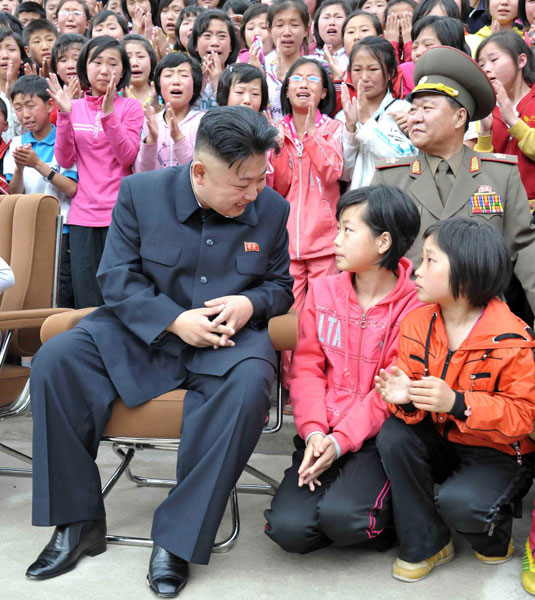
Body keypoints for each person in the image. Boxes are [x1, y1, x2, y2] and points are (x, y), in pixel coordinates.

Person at [25, 106, 294, 598]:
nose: (253, 194)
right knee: (56, 361)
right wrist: (172, 319)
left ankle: (176, 539)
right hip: (144, 333)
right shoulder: (141, 193)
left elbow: (280, 286)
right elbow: (116, 277)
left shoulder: (272, 209)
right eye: (241, 184)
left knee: (253, 380)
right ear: (199, 171)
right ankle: (77, 522)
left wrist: (249, 301)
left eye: (259, 179)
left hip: (225, 341)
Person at [375, 217, 535, 582]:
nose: (417, 269)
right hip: (442, 436)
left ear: (467, 271)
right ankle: (427, 543)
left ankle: (493, 534)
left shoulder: (511, 337)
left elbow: (524, 416)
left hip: (497, 450)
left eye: (430, 260)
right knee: (394, 434)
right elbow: (412, 388)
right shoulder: (417, 322)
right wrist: (405, 398)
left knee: (462, 505)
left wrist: (459, 403)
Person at [265, 184, 422, 555]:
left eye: (348, 230)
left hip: (375, 440)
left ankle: (384, 511)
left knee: (347, 521)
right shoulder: (323, 292)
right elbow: (305, 369)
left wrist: (341, 441)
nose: (336, 240)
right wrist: (315, 432)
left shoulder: (415, 306)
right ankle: (344, 504)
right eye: (338, 228)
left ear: (384, 242)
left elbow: (388, 393)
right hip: (324, 430)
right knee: (288, 532)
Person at [370, 45, 535, 322]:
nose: (416, 117)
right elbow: (371, 255)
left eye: (427, 108)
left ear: (460, 118)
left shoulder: (499, 175)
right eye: (413, 108)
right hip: (407, 321)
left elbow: (525, 249)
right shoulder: (390, 178)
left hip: (483, 323)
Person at [47, 35, 144, 309]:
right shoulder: (73, 108)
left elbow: (127, 156)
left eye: (113, 63)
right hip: (82, 217)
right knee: (87, 297)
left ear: (123, 70)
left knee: (120, 294)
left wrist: (109, 114)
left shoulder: (131, 107)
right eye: (97, 62)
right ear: (85, 67)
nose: (104, 70)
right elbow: (64, 158)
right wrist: (64, 115)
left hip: (120, 215)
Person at [268, 57, 342, 384]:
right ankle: (294, 387)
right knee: (291, 321)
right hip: (286, 244)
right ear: (285, 89)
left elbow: (332, 171)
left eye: (312, 79)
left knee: (325, 319)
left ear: (324, 91)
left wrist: (311, 135)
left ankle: (325, 384)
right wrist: (277, 146)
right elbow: (274, 185)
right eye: (295, 78)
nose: (302, 83)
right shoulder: (276, 131)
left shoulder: (333, 128)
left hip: (326, 242)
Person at [4, 75, 78, 307]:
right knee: (32, 291)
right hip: (28, 230)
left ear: (50, 105)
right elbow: (14, 196)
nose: (25, 114)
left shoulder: (64, 140)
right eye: (18, 108)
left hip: (61, 230)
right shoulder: (16, 144)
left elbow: (72, 188)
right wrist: (18, 168)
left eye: (30, 105)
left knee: (60, 291)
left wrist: (38, 165)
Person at [337, 36, 415, 190]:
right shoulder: (343, 116)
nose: (364, 77)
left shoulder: (405, 112)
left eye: (373, 69)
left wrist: (366, 123)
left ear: (390, 72)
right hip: (356, 204)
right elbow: (343, 173)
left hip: (391, 203)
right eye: (357, 70)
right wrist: (350, 129)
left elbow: (403, 162)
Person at [475, 31, 535, 211]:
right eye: (481, 64)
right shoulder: (487, 108)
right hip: (498, 210)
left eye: (494, 60)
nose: (486, 68)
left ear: (521, 60)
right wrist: (484, 133)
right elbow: (481, 171)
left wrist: (513, 121)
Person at [134, 52, 203, 172]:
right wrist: (150, 141)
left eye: (184, 75)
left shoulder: (204, 122)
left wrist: (178, 138)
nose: (176, 81)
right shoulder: (148, 123)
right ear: (158, 85)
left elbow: (201, 172)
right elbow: (140, 172)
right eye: (168, 75)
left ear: (195, 85)